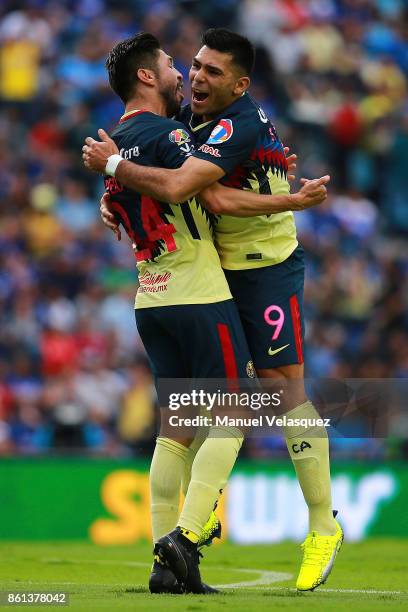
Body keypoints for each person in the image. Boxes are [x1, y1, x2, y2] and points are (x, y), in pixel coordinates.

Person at [83, 28, 342, 593]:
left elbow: (205, 193)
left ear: (240, 84)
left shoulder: (235, 123)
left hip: (263, 269)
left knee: (278, 387)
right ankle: (182, 540)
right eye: (192, 65)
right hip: (213, 279)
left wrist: (289, 199)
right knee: (226, 407)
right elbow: (183, 185)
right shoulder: (187, 127)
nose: (195, 76)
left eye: (210, 72)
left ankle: (320, 524)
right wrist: (117, 192)